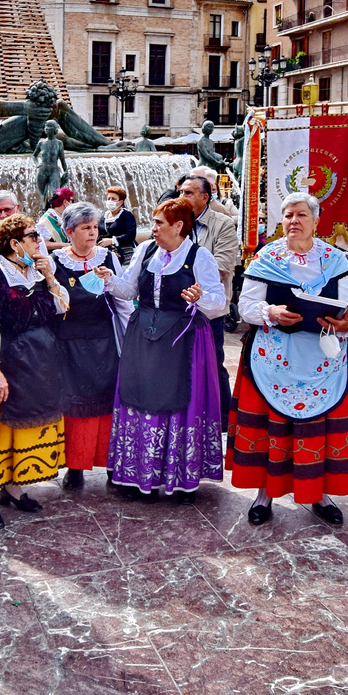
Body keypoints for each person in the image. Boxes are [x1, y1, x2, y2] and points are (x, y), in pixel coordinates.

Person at [230, 192, 348, 526]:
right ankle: (265, 494)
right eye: (288, 215)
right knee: (272, 427)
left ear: (317, 221)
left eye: (302, 215)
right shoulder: (266, 257)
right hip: (274, 356)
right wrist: (272, 311)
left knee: (315, 429)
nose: (294, 221)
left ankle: (319, 493)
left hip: (324, 357)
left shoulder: (336, 259)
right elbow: (246, 306)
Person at [105, 198, 225, 502]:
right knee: (139, 399)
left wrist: (199, 297)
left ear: (179, 226)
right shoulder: (146, 251)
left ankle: (181, 481)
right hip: (143, 336)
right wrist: (109, 280)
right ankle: (136, 476)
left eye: (159, 223)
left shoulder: (200, 257)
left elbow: (218, 303)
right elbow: (130, 289)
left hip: (183, 341)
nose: (153, 229)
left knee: (179, 404)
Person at [0, 214, 67, 528]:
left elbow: (62, 307)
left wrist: (49, 276)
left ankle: (14, 487)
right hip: (2, 364)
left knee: (20, 431)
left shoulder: (36, 273)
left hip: (36, 365)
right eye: (34, 236)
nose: (40, 242)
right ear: (14, 243)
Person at [51, 202, 131, 490]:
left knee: (107, 405)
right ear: (69, 231)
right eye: (86, 228)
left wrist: (131, 337)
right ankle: (75, 466)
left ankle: (111, 463)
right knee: (74, 407)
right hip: (68, 343)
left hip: (103, 342)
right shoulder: (55, 261)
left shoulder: (109, 258)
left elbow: (122, 301)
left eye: (95, 227)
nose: (93, 232)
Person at [180, 174, 239, 425]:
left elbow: (223, 266)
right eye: (181, 192)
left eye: (188, 193)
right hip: (178, 307)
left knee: (213, 363)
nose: (182, 197)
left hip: (209, 309)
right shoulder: (176, 221)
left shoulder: (223, 224)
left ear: (205, 197)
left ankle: (224, 419)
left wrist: (181, 274)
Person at [98, 186, 138, 266]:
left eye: (113, 199)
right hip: (107, 251)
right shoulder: (104, 216)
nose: (110, 201)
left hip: (125, 251)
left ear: (121, 202)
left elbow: (131, 235)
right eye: (108, 198)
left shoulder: (126, 215)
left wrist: (112, 241)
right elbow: (99, 232)